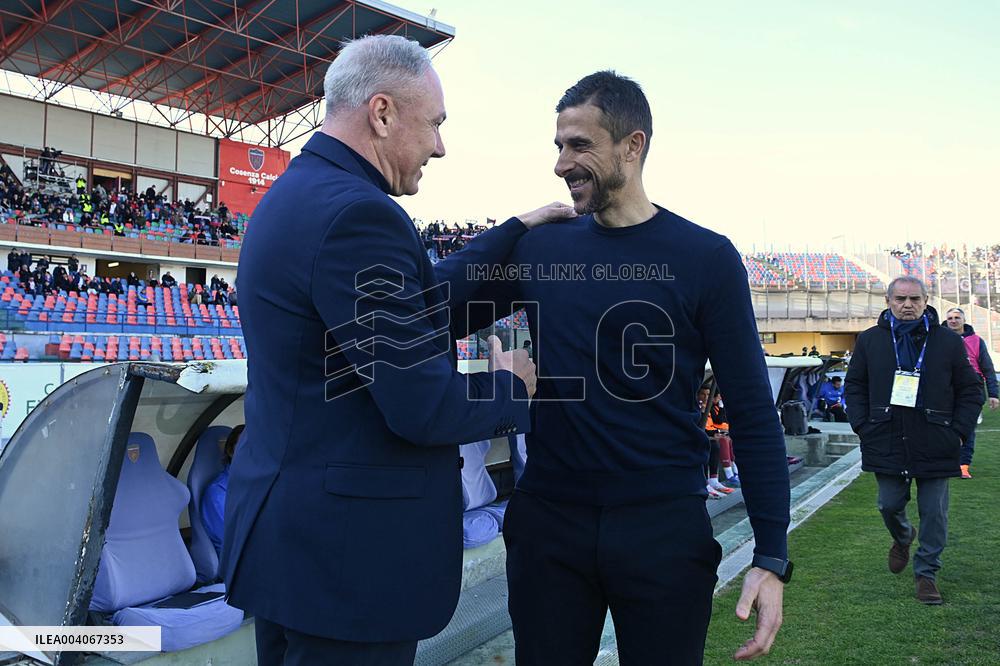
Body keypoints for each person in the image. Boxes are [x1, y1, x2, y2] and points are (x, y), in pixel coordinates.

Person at [222, 35, 571, 666]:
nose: (440, 145)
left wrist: (513, 235)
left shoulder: (302, 196)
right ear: (382, 114)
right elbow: (423, 407)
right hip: (346, 571)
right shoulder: (360, 215)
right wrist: (509, 388)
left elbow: (415, 307)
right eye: (434, 124)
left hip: (294, 553)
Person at [466, 71, 790, 664]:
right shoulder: (541, 249)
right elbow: (438, 311)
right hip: (550, 525)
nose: (562, 164)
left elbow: (751, 410)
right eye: (558, 145)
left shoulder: (706, 257)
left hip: (662, 527)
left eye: (580, 145)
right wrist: (511, 229)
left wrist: (770, 555)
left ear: (632, 145)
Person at [845, 277, 981, 604]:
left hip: (936, 439)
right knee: (888, 505)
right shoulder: (870, 340)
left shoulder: (947, 341)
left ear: (925, 301)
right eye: (901, 298)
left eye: (915, 299)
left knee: (934, 513)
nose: (908, 305)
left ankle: (926, 574)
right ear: (888, 300)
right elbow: (854, 387)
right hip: (886, 437)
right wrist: (863, 425)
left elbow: (971, 389)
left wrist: (957, 431)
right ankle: (903, 537)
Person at [943, 307, 1000, 478]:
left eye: (957, 317)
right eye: (950, 318)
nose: (953, 320)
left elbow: (987, 368)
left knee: (967, 427)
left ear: (963, 320)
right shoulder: (938, 338)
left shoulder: (976, 340)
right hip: (945, 386)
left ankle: (963, 465)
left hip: (971, 387)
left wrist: (993, 394)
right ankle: (947, 462)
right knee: (943, 426)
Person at [202, 425, 244, 557]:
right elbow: (230, 539)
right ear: (231, 451)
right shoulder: (217, 492)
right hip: (235, 560)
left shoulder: (261, 485)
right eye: (244, 447)